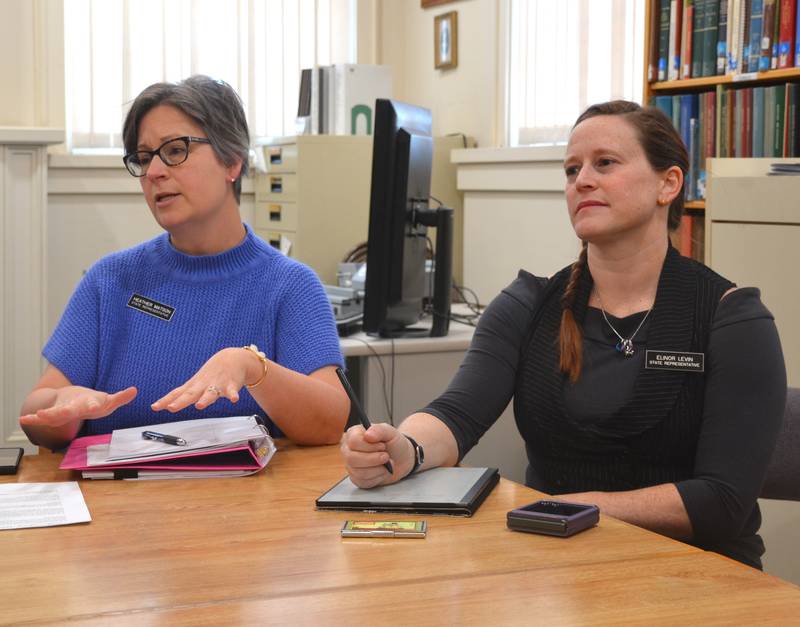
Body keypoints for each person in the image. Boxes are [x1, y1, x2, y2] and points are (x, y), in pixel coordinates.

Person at [340, 100, 786, 569]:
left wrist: (571, 506)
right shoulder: (528, 304)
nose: (582, 181)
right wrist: (402, 450)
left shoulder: (731, 319)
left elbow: (722, 502)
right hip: (559, 570)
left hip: (698, 577)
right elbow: (455, 415)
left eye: (605, 163)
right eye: (572, 170)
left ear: (667, 183)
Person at [20, 75, 349, 450]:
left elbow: (330, 422)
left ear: (233, 161)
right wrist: (64, 408)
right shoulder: (110, 280)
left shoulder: (290, 285)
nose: (155, 172)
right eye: (143, 158)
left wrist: (253, 368)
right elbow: (37, 414)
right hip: (117, 502)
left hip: (241, 505)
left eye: (175, 150)